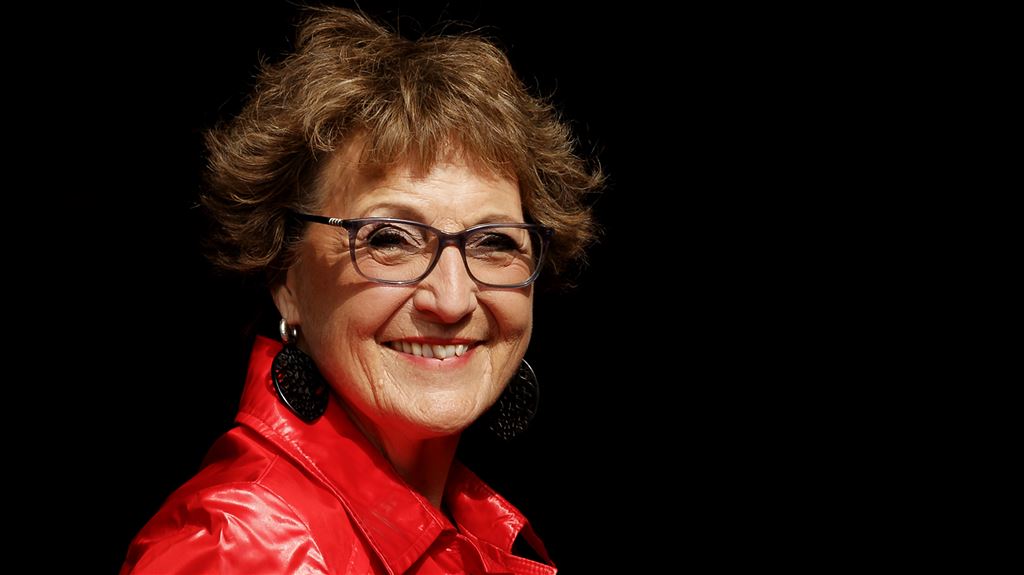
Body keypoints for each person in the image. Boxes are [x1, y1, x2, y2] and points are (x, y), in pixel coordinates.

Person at [121, 6, 602, 574]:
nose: (451, 300)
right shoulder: (239, 549)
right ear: (285, 276)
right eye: (390, 239)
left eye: (493, 242)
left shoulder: (467, 520)